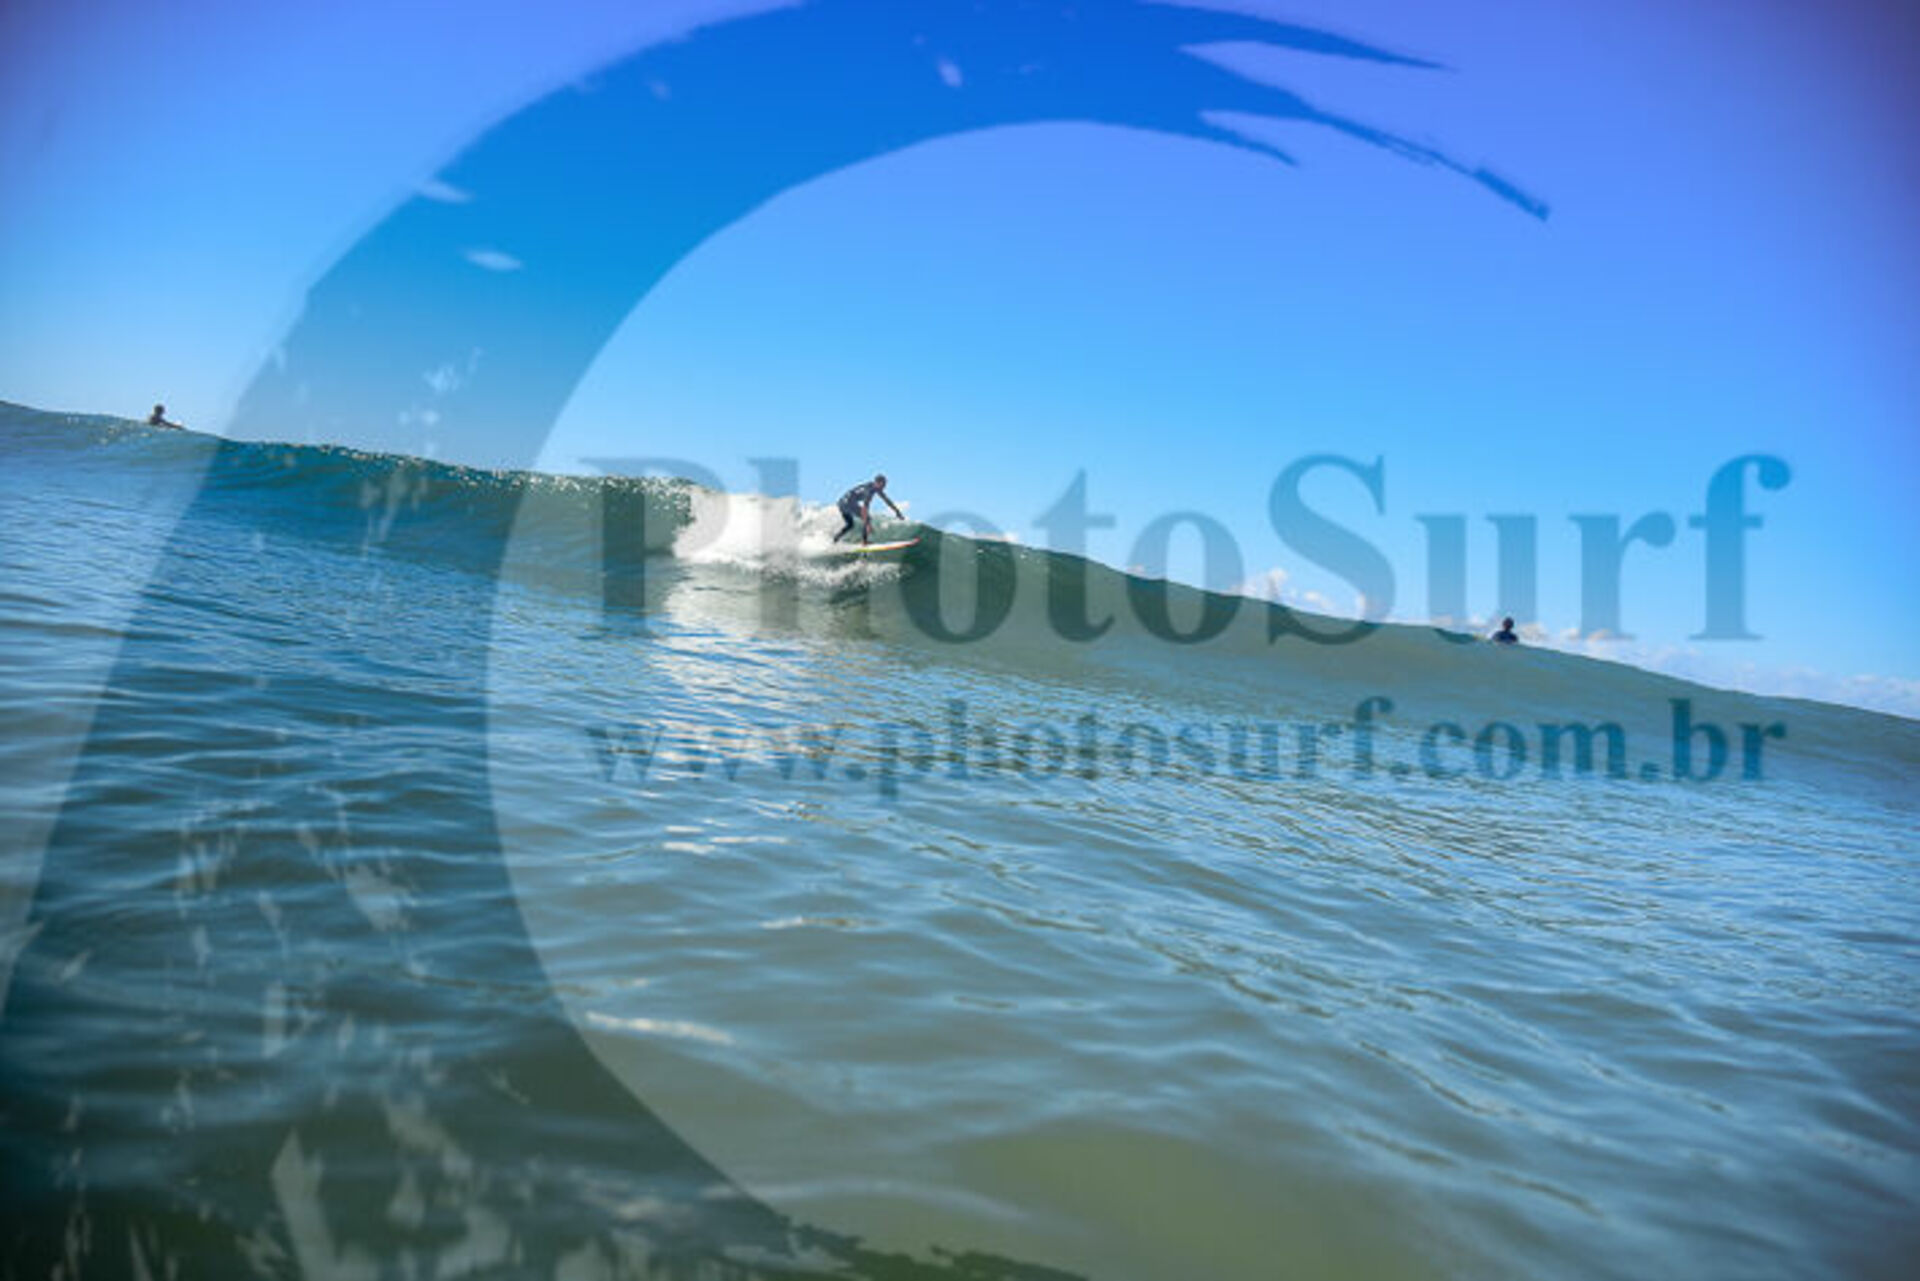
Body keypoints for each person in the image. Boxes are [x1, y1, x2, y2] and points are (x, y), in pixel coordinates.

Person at [832, 473, 903, 545]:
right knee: (867, 518)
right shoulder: (870, 491)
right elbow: (864, 508)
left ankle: (835, 539)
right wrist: (867, 524)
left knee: (850, 524)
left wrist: (897, 511)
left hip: (841, 504)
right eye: (883, 484)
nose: (884, 487)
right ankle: (864, 542)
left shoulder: (871, 487)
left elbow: (887, 500)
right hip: (848, 503)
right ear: (877, 483)